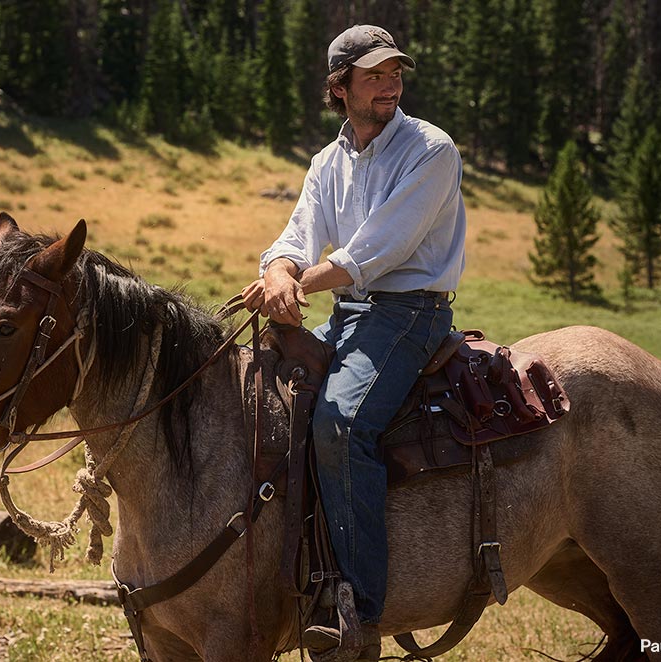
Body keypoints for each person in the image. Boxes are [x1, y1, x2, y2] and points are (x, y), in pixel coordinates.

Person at [242, 24, 466, 659]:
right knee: (257, 392)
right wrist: (278, 271)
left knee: (340, 421)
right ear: (339, 88)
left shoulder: (430, 149)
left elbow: (380, 249)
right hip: (349, 313)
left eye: (395, 73)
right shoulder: (327, 161)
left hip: (409, 314)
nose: (390, 85)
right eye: (374, 76)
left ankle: (356, 605)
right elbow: (297, 234)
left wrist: (298, 283)